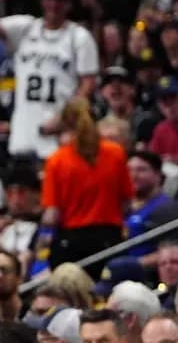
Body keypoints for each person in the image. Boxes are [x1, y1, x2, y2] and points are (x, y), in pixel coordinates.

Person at [0, 0, 99, 159]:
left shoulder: (79, 37)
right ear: (42, 1)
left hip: (56, 128)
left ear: (69, 5)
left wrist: (65, 118)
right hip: (23, 128)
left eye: (60, 0)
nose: (54, 4)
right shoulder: (26, 27)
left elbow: (88, 85)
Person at [40, 98, 133, 278]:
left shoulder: (56, 160)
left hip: (71, 243)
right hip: (109, 238)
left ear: (65, 124)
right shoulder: (116, 153)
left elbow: (52, 216)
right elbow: (127, 203)